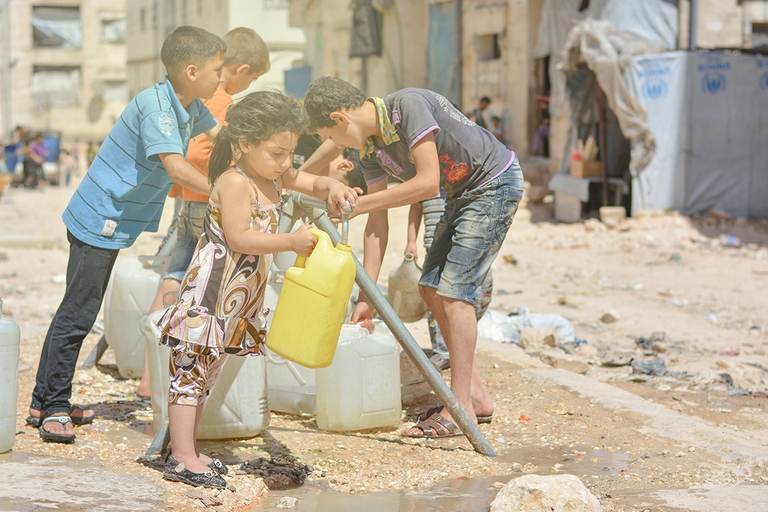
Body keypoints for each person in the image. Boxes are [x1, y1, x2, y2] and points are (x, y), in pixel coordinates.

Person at [28, 25, 226, 444]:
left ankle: (42, 400)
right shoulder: (158, 108)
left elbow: (220, 138)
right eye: (217, 70)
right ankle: (55, 408)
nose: (221, 79)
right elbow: (175, 167)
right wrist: (229, 193)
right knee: (79, 312)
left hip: (110, 218)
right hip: (100, 217)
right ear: (192, 70)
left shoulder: (188, 105)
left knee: (75, 307)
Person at [156, 90, 359, 488]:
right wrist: (291, 242)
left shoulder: (273, 174)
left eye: (289, 153)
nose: (285, 162)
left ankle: (188, 451)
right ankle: (180, 457)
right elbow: (239, 238)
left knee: (206, 376)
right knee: (190, 375)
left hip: (239, 297)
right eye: (276, 153)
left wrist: (331, 187)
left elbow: (305, 179)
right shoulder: (236, 182)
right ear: (244, 143)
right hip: (210, 295)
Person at [303, 77, 524, 438]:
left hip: (493, 184)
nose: (336, 146)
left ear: (339, 118)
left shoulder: (406, 106)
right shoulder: (371, 151)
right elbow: (376, 224)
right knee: (430, 289)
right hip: (461, 195)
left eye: (332, 137)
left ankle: (461, 408)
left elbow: (426, 183)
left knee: (455, 294)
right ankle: (476, 396)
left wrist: (360, 203)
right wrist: (367, 296)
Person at [136, 26, 271, 399]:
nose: (249, 86)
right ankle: (185, 379)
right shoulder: (220, 102)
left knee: (174, 278)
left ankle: (150, 377)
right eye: (253, 78)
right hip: (208, 208)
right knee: (205, 291)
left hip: (189, 203)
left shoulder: (197, 99)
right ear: (239, 69)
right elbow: (197, 154)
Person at [404, 192, 493, 374]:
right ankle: (443, 351)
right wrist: (411, 241)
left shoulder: (458, 174)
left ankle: (460, 342)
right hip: (436, 247)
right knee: (435, 298)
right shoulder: (423, 178)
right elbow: (416, 206)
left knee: (477, 295)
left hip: (465, 244)